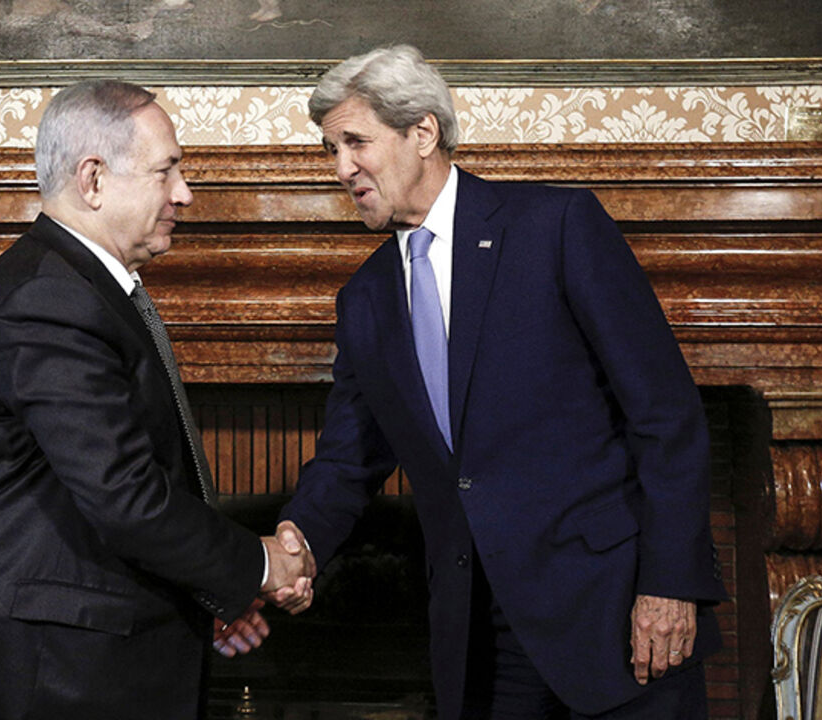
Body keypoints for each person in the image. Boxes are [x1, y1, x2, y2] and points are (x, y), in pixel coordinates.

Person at [273, 45, 727, 719]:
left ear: (422, 132)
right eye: (330, 150)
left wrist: (670, 584)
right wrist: (298, 541)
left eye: (356, 142)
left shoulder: (555, 227)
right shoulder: (365, 299)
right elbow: (349, 457)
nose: (342, 168)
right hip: (481, 640)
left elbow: (665, 416)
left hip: (618, 617)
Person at [0, 79, 314, 719]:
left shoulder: (82, 287)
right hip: (28, 674)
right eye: (166, 171)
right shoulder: (47, 298)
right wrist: (260, 565)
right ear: (93, 180)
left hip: (71, 661)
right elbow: (124, 495)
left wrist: (212, 588)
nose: (184, 194)